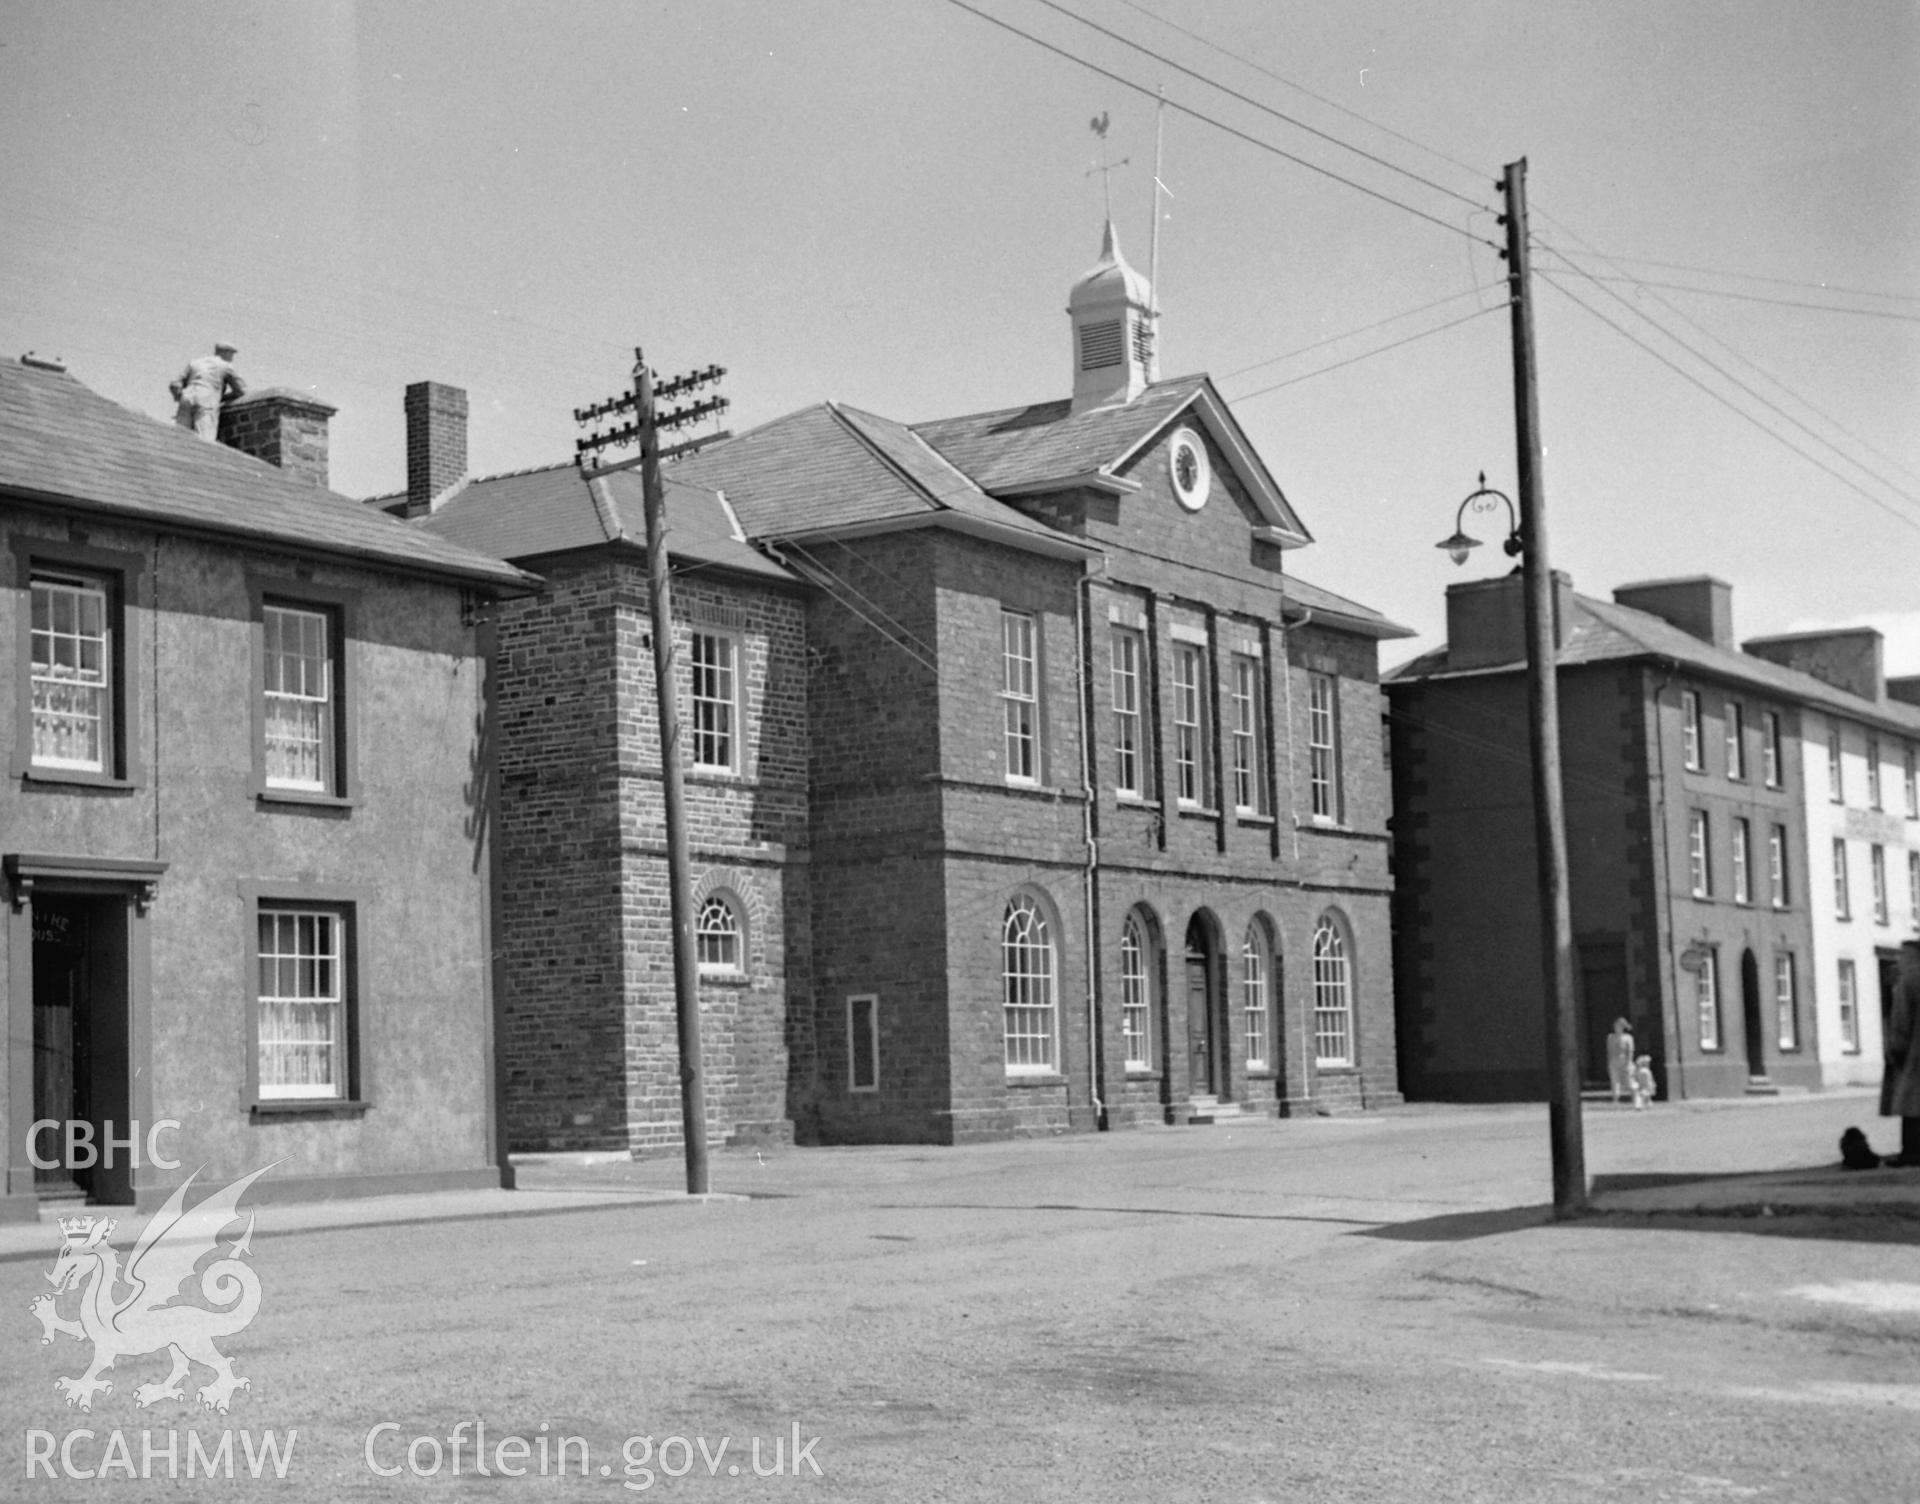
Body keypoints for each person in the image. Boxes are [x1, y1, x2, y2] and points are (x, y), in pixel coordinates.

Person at [1881, 939, 1920, 1166]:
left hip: (1914, 1055)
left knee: (1912, 1104)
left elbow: (1901, 1022)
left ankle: (1912, 1152)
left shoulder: (1909, 981)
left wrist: (1895, 1049)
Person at [169, 341, 245, 440]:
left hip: (187, 397)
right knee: (204, 438)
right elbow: (241, 390)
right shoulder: (226, 366)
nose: (232, 357)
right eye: (231, 354)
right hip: (207, 400)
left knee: (180, 437)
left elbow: (175, 384)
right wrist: (223, 398)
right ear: (225, 352)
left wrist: (180, 396)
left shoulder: (195, 363)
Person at [1606, 1016, 1635, 1105]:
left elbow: (1630, 1051)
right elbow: (1609, 1050)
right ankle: (1616, 1099)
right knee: (1615, 1080)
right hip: (1614, 1060)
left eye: (1618, 1026)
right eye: (1615, 1026)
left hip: (1624, 1060)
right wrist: (1609, 1062)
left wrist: (1629, 1062)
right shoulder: (1610, 1037)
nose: (1616, 1028)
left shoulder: (1628, 1038)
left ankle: (1635, 1097)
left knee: (1629, 1080)